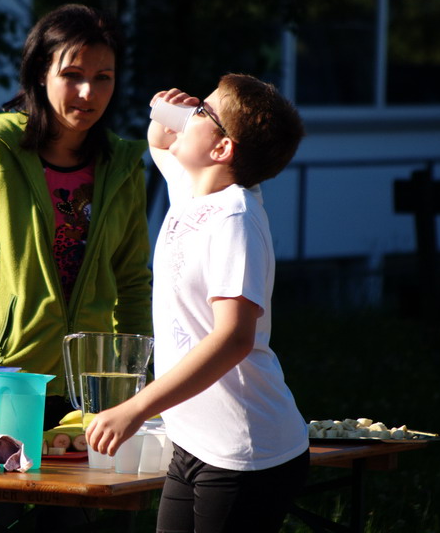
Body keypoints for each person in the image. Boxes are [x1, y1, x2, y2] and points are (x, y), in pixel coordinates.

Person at [0, 3, 152, 530]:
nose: (88, 93)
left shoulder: (123, 163)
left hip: (89, 394)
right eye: (72, 75)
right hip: (0, 382)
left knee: (80, 524)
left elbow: (134, 280)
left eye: (103, 77)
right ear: (39, 74)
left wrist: (135, 386)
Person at [85, 74, 310, 533]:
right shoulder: (194, 191)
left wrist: (135, 408)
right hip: (194, 442)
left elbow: (234, 338)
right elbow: (162, 144)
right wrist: (165, 115)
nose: (188, 114)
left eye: (202, 111)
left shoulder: (235, 219)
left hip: (245, 452)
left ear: (222, 149)